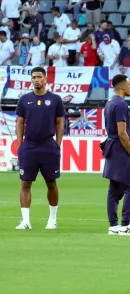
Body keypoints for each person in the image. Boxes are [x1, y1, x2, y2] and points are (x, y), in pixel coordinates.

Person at [14, 66, 64, 230]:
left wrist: (58, 144)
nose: (36, 80)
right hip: (29, 146)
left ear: (45, 79)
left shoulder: (55, 99)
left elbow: (59, 123)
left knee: (51, 182)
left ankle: (52, 219)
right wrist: (20, 144)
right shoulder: (24, 99)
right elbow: (20, 122)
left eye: (39, 77)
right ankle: (26, 221)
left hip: (48, 145)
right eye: (34, 77)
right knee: (25, 183)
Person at [101, 74, 130, 236]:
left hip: (112, 147)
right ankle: (125, 225)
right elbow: (122, 133)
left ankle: (113, 225)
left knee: (115, 187)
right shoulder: (121, 105)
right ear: (123, 86)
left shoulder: (109, 103)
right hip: (120, 148)